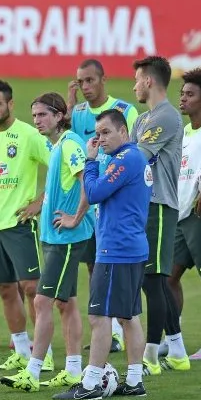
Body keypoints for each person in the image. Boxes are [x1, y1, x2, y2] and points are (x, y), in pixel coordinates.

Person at [54, 109, 152, 400]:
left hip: (117, 251)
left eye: (106, 132)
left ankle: (91, 383)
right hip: (130, 247)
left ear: (124, 132)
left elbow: (95, 192)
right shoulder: (131, 159)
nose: (100, 139)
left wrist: (91, 161)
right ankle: (134, 382)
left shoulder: (126, 159)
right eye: (97, 134)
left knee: (100, 317)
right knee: (128, 316)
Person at [2, 93, 93, 392]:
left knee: (42, 301)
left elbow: (86, 181)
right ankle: (73, 369)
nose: (37, 120)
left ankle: (33, 371)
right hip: (54, 236)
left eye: (42, 114)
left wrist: (75, 218)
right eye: (35, 115)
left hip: (66, 237)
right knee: (66, 303)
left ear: (59, 115)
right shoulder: (58, 146)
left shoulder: (69, 145)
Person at [0, 80, 53, 374]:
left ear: (10, 104)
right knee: (5, 289)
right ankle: (21, 350)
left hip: (20, 224)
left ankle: (44, 354)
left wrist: (39, 202)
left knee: (32, 287)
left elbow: (59, 170)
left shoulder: (30, 135)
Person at [68, 58, 139, 352]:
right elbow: (70, 145)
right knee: (94, 267)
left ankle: (121, 334)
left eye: (90, 80)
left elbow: (136, 152)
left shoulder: (125, 111)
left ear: (103, 79)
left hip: (116, 203)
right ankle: (107, 333)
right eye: (80, 81)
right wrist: (70, 105)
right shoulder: (80, 113)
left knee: (125, 274)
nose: (85, 87)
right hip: (90, 208)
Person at [131, 56, 190, 373]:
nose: (134, 85)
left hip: (160, 206)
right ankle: (177, 350)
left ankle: (151, 355)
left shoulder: (167, 117)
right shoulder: (142, 120)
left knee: (153, 280)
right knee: (152, 281)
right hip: (143, 206)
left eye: (138, 79)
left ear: (150, 81)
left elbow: (136, 157)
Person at [170, 68, 201, 359]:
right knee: (167, 277)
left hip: (198, 215)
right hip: (178, 214)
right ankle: (174, 337)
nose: (183, 99)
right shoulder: (184, 132)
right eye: (182, 94)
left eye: (190, 95)